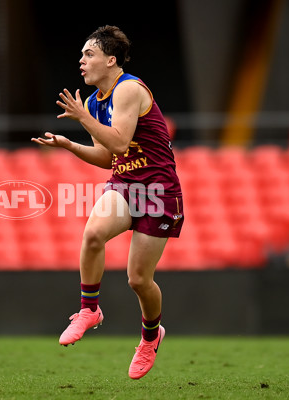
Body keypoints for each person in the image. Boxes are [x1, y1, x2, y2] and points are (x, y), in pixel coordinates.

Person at [32, 25, 183, 380]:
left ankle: (150, 338)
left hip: (159, 191)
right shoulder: (92, 102)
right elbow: (107, 156)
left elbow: (118, 143)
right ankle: (89, 310)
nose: (81, 61)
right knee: (93, 234)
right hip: (127, 184)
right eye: (83, 54)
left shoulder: (128, 89)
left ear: (110, 59)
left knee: (138, 280)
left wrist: (82, 119)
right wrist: (70, 146)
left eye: (89, 54)